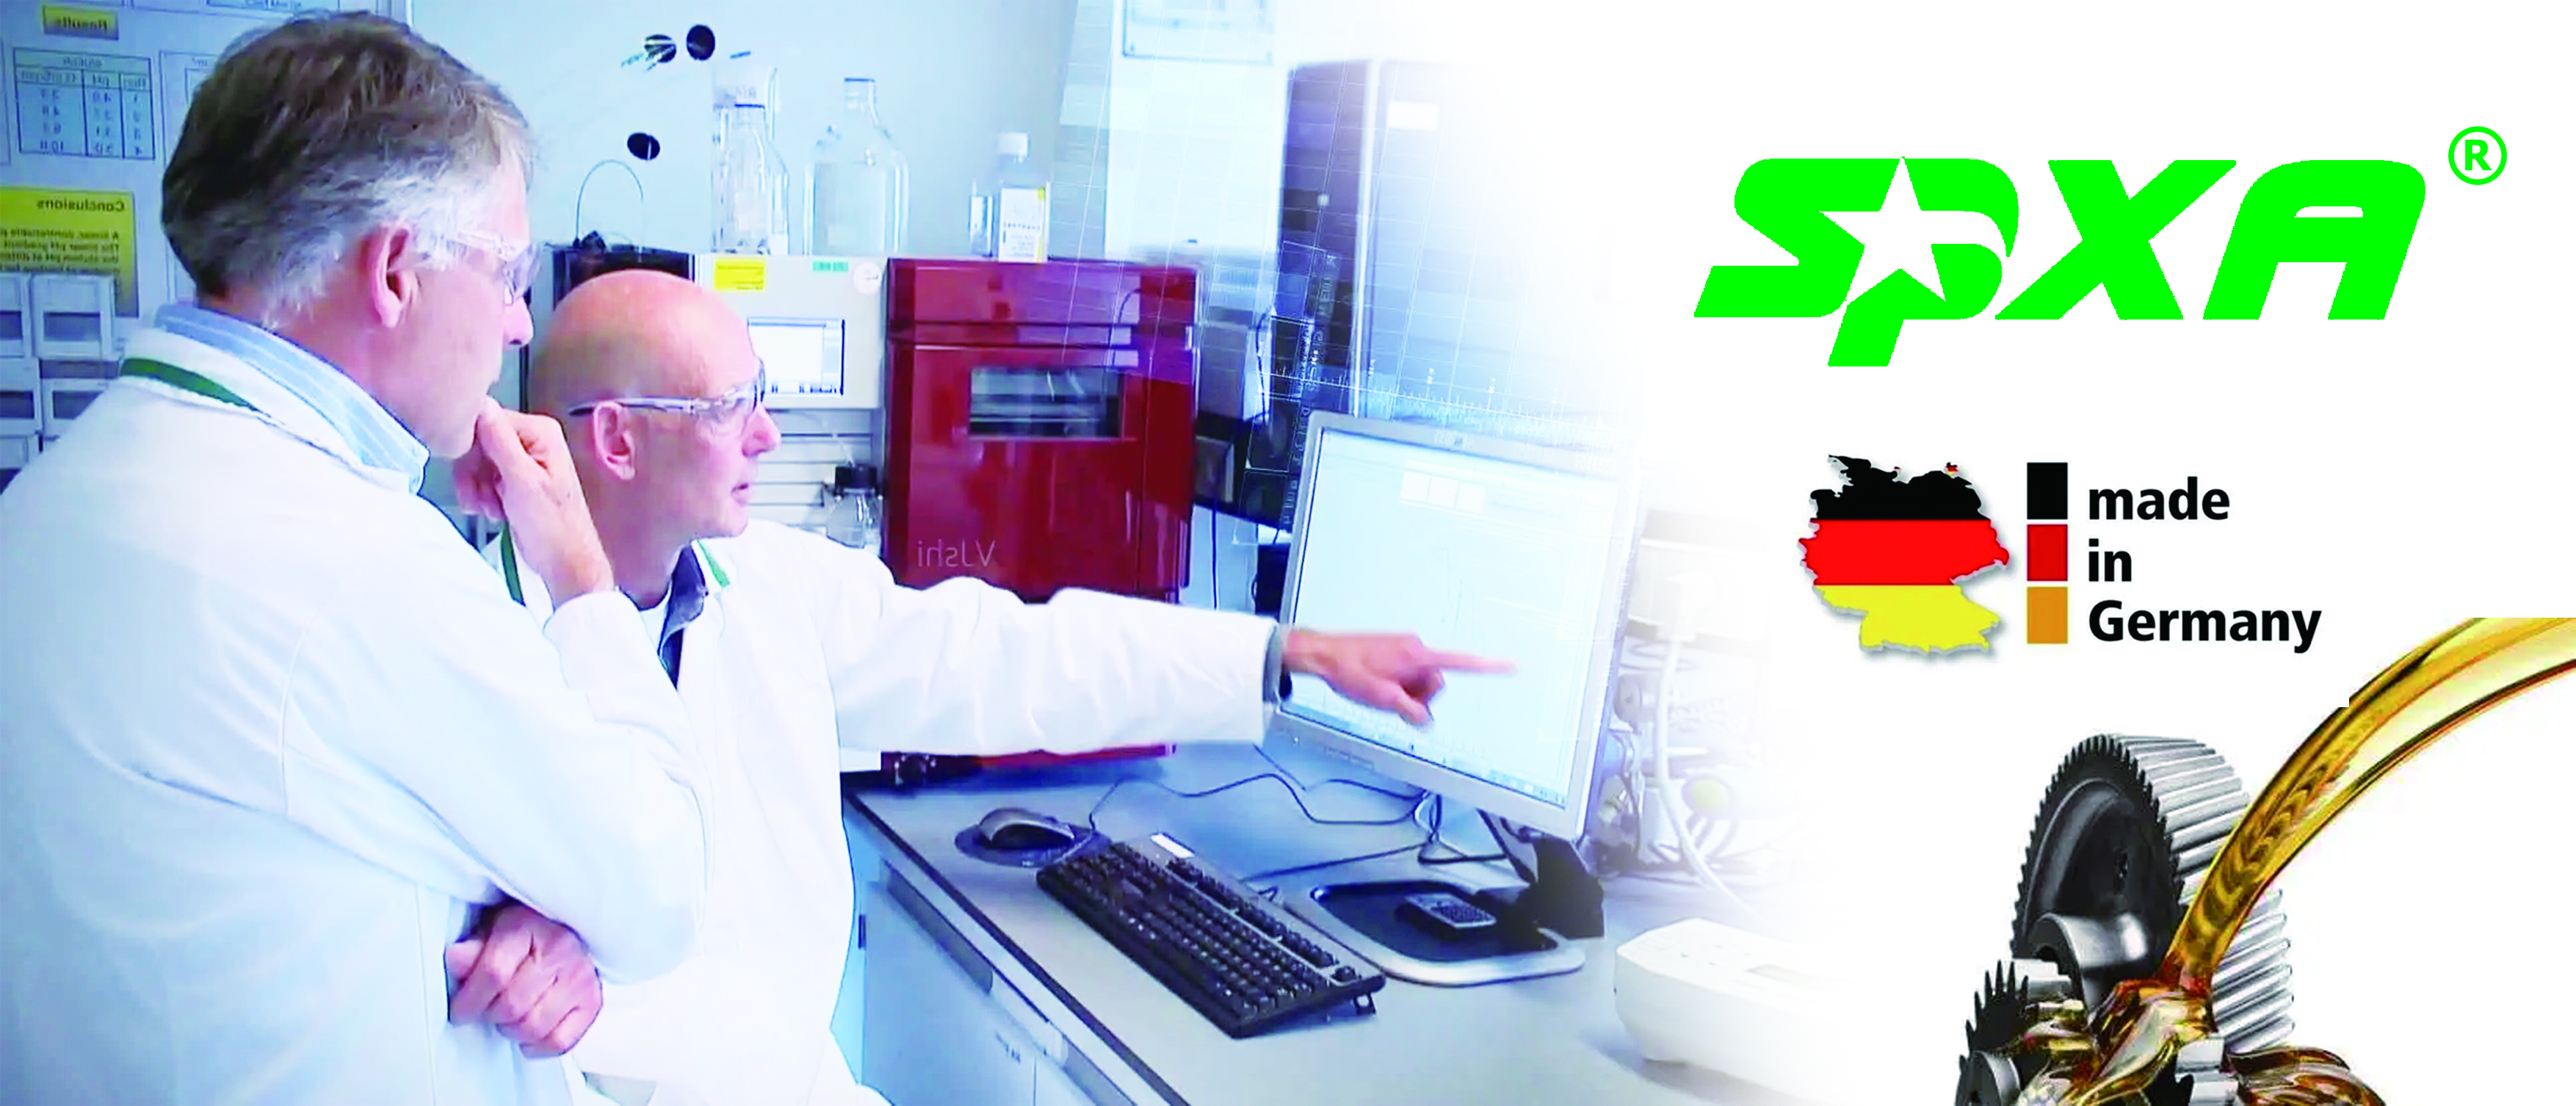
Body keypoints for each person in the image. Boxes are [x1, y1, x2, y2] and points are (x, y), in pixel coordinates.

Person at [466, 270, 1506, 1105]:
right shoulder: (470, 639)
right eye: (731, 406)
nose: (767, 434)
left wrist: (1283, 655)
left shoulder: (772, 588)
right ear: (617, 439)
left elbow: (1013, 658)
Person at [0, 15, 714, 1103]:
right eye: (508, 275)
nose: (519, 327)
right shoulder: (351, 563)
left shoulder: (58, 493)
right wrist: (582, 581)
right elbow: (658, 889)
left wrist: (543, 917)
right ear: (394, 271)